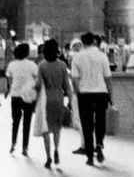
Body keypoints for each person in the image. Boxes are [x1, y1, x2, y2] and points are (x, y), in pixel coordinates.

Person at [70, 31, 113, 165]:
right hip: (101, 92)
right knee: (100, 121)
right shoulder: (102, 56)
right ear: (94, 42)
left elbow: (74, 79)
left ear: (82, 43)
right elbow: (108, 78)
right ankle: (99, 144)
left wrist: (78, 93)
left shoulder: (77, 57)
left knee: (86, 124)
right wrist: (111, 96)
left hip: (85, 93)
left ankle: (89, 156)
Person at [33, 39, 73, 169]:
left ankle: (48, 157)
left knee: (46, 129)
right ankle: (56, 149)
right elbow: (67, 86)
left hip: (46, 99)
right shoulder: (62, 65)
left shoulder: (42, 66)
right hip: (58, 98)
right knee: (56, 128)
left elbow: (38, 85)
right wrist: (70, 101)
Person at [5, 43, 39, 156]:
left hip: (15, 95)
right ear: (27, 53)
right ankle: (25, 147)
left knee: (15, 121)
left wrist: (11, 87)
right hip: (28, 95)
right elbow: (37, 78)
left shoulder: (12, 64)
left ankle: (13, 143)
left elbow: (9, 79)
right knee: (27, 122)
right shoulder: (32, 65)